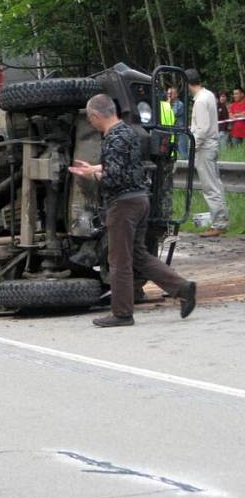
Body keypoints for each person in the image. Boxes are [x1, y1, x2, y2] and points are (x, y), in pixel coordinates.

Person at [69, 94, 196, 327]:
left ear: (96, 115)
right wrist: (97, 167)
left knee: (119, 260)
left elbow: (114, 177)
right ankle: (182, 288)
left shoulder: (110, 139)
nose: (91, 122)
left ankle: (122, 313)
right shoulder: (128, 132)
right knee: (138, 255)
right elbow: (125, 166)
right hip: (140, 200)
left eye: (90, 118)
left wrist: (92, 175)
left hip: (123, 205)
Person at [187, 69, 229, 237]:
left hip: (204, 147)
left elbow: (202, 129)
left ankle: (219, 223)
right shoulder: (209, 95)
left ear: (187, 83)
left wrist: (193, 146)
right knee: (215, 184)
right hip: (211, 145)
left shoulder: (200, 101)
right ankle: (221, 219)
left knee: (210, 187)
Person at [167, 87, 187, 158]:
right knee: (171, 154)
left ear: (176, 95)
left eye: (171, 93)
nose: (169, 95)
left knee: (183, 153)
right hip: (170, 131)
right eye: (168, 93)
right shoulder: (166, 104)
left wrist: (168, 104)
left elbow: (174, 113)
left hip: (179, 131)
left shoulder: (180, 104)